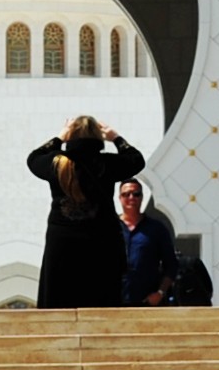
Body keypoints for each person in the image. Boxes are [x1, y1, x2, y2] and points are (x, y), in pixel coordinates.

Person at [25, 116, 144, 307]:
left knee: (60, 299)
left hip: (63, 242)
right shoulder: (107, 163)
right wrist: (116, 138)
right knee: (100, 299)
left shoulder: (58, 163)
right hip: (101, 241)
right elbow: (136, 160)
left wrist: (59, 138)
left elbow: (33, 158)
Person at [117, 178, 177, 305]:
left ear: (142, 197)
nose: (131, 197)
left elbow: (171, 265)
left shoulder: (157, 229)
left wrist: (160, 293)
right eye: (126, 194)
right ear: (119, 198)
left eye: (136, 194)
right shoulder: (109, 228)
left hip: (147, 304)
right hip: (114, 303)